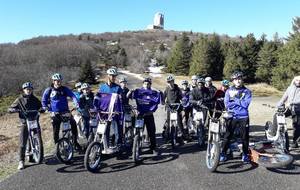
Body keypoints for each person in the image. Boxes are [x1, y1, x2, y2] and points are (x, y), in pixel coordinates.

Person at [42, 73, 82, 151]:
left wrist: (76, 102)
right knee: (55, 130)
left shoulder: (64, 89)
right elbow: (44, 100)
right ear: (53, 81)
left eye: (59, 80)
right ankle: (57, 146)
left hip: (65, 112)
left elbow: (72, 95)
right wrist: (45, 106)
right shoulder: (49, 90)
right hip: (55, 113)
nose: (58, 82)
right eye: (56, 81)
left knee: (73, 124)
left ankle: (75, 142)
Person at [8, 82, 43, 170]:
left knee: (39, 138)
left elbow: (41, 107)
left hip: (35, 121)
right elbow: (11, 107)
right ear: (24, 90)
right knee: (23, 142)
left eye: (30, 89)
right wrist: (13, 109)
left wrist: (42, 109)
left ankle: (40, 155)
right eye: (26, 89)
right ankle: (21, 161)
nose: (28, 90)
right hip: (25, 122)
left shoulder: (35, 99)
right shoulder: (19, 99)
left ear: (32, 90)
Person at [221, 71, 252, 163]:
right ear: (233, 81)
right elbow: (227, 104)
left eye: (239, 79)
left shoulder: (247, 91)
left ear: (242, 80)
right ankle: (223, 153)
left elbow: (246, 104)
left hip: (244, 117)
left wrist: (234, 99)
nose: (238, 81)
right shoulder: (228, 91)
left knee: (244, 137)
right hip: (232, 116)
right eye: (235, 79)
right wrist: (238, 103)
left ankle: (245, 154)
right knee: (228, 136)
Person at [128, 77, 162, 155]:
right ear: (143, 84)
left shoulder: (153, 92)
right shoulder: (138, 91)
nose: (146, 85)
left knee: (152, 132)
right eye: (145, 83)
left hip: (149, 115)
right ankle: (136, 147)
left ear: (150, 85)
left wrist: (159, 93)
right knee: (138, 131)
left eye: (148, 83)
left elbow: (158, 100)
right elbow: (130, 97)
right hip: (140, 115)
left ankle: (153, 148)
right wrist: (130, 92)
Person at [98, 67, 123, 147]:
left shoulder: (118, 88)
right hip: (105, 111)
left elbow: (121, 99)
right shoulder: (102, 87)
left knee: (118, 128)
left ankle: (119, 142)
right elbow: (99, 98)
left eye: (114, 76)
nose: (113, 77)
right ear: (108, 75)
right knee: (106, 128)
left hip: (115, 111)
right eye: (111, 75)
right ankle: (106, 144)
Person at [277, 76, 300, 148]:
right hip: (289, 108)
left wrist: (291, 102)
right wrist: (278, 105)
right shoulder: (290, 88)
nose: (298, 81)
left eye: (299, 80)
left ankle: (295, 142)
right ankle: (277, 133)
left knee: (296, 125)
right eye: (297, 80)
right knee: (277, 115)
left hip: (298, 109)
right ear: (294, 80)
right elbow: (284, 98)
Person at [163, 75, 184, 140]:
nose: (170, 83)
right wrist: (164, 103)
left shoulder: (178, 88)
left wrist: (182, 102)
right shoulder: (167, 88)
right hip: (170, 107)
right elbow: (164, 97)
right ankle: (167, 136)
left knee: (179, 121)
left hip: (177, 107)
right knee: (169, 121)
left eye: (171, 81)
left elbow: (181, 97)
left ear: (173, 81)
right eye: (168, 82)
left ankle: (181, 135)